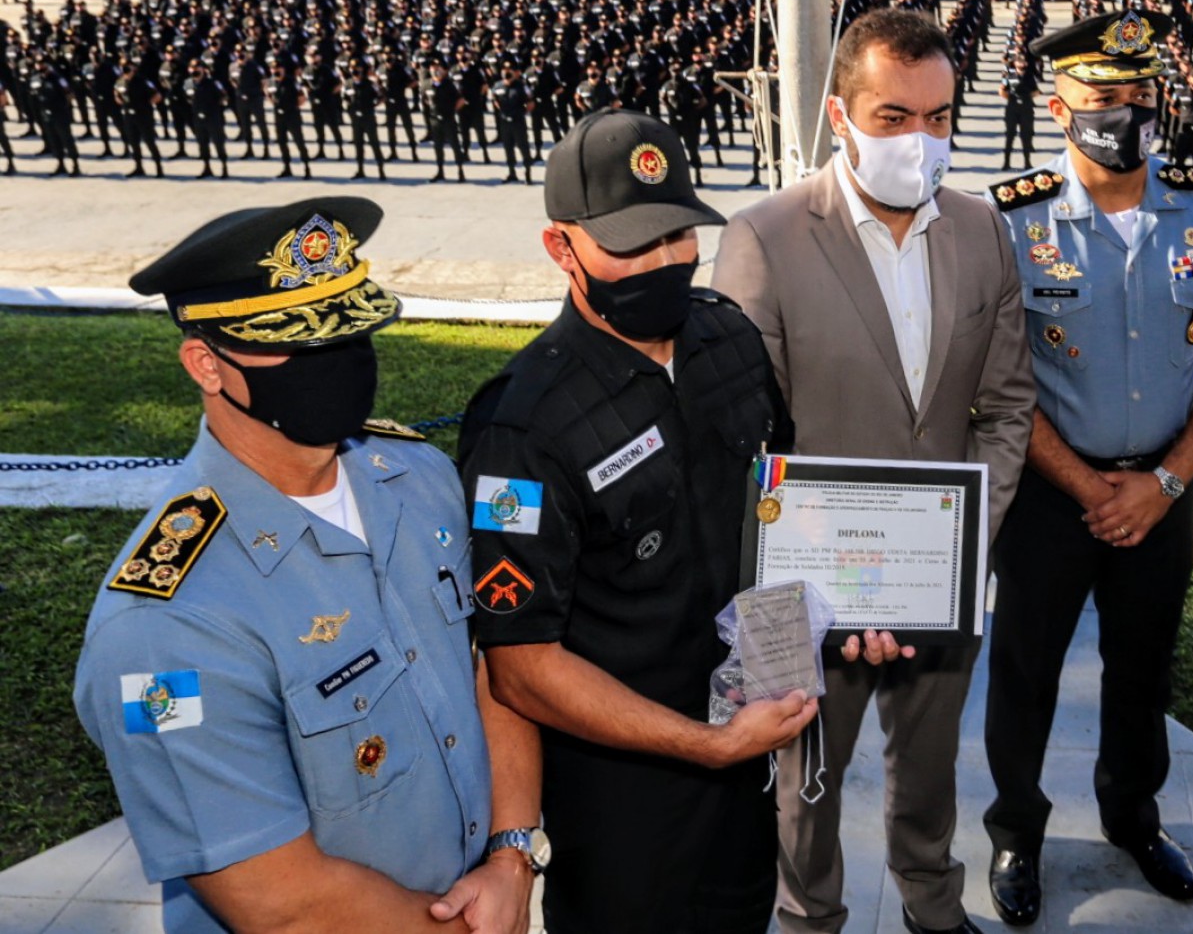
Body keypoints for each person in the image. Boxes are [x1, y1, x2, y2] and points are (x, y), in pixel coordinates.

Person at [72, 197, 539, 934]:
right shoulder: (163, 624)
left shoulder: (416, 477)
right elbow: (276, 900)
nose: (342, 363)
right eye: (299, 344)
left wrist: (511, 856)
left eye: (352, 333)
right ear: (206, 363)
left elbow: (490, 670)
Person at [712, 6, 1034, 934]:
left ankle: (932, 901)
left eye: (940, 118)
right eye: (894, 116)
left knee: (931, 762)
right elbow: (744, 436)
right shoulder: (765, 235)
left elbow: (1007, 407)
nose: (921, 141)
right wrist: (833, 585)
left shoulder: (983, 231)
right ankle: (810, 916)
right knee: (801, 779)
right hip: (802, 585)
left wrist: (963, 545)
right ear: (840, 113)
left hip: (941, 575)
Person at [458, 111, 815, 934]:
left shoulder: (729, 340)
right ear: (561, 248)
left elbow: (783, 510)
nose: (662, 262)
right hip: (622, 803)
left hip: (745, 767)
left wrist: (848, 613)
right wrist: (706, 742)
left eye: (677, 235)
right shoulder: (525, 427)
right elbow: (520, 664)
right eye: (631, 244)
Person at [980, 7, 1193, 928]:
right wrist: (1091, 488)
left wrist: (1164, 484)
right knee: (1024, 671)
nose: (1126, 113)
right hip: (1049, 496)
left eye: (1140, 95)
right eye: (1103, 96)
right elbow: (1001, 385)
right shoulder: (1012, 220)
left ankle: (1134, 818)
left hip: (1165, 490)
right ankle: (1017, 829)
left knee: (1144, 671)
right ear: (1059, 107)